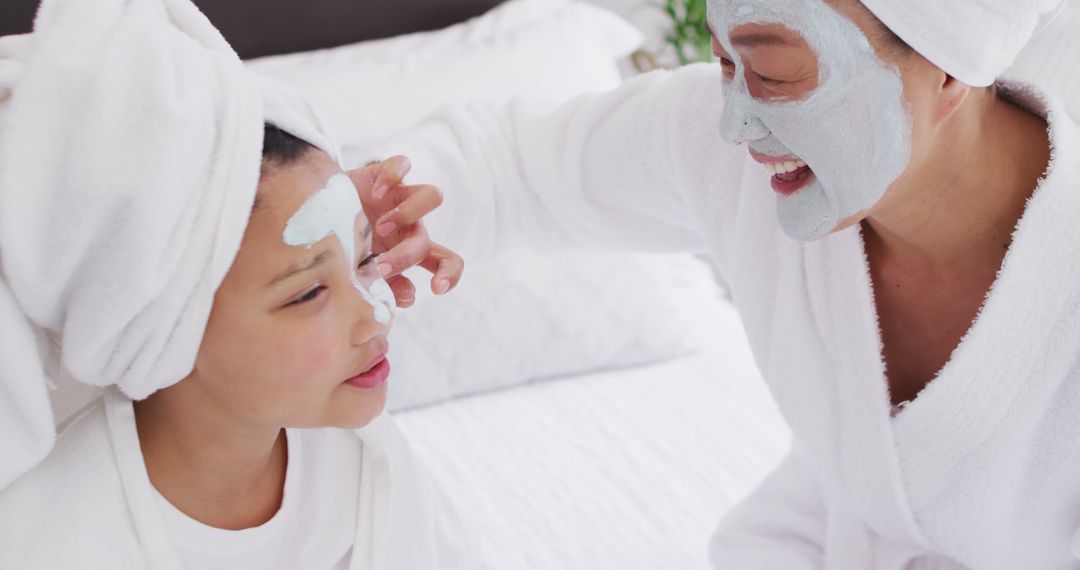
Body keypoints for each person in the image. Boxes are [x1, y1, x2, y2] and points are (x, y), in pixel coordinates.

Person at [373, 0, 1080, 567]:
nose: (734, 122)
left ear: (948, 70)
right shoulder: (736, 157)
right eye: (721, 64)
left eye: (774, 74)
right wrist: (366, 214)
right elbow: (509, 165)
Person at [0, 1, 476, 569]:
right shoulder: (51, 541)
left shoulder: (368, 467)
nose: (375, 315)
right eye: (308, 293)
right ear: (165, 327)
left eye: (364, 256)